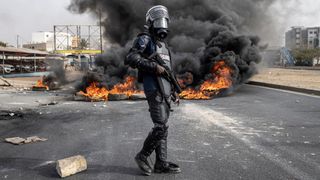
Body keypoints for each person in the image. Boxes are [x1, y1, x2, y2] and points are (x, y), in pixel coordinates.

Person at [125, 5, 181, 176]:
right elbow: (131, 58)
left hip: (165, 91)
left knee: (163, 127)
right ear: (150, 22)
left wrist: (174, 91)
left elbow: (169, 73)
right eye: (158, 20)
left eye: (163, 20)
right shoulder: (145, 39)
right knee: (160, 127)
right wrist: (153, 66)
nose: (161, 23)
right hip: (153, 89)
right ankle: (142, 156)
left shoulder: (164, 47)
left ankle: (161, 163)